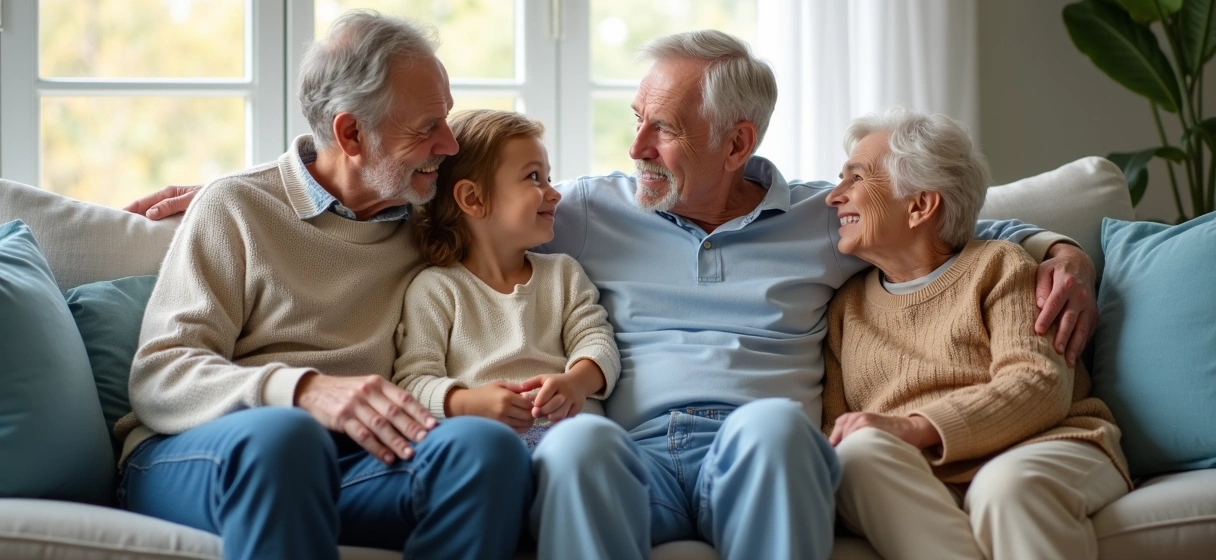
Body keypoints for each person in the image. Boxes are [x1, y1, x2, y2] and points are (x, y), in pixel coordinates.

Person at [128, 28, 1101, 560]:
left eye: (662, 130)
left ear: (737, 144)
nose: (632, 149)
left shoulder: (822, 217)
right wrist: (224, 186)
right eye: (634, 122)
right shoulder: (581, 210)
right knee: (579, 439)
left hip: (745, 447)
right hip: (622, 449)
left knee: (768, 427)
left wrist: (1062, 249)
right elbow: (443, 187)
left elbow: (951, 227)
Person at [114, 11, 532, 560]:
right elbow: (160, 375)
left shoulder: (430, 214)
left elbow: (530, 193)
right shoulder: (237, 208)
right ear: (351, 132)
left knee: (485, 448)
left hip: (359, 461)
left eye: (447, 120)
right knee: (288, 438)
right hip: (206, 451)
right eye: (426, 127)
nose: (449, 145)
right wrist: (304, 391)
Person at [820, 108, 1130, 560]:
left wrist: (915, 427)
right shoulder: (846, 308)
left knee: (1005, 488)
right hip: (922, 480)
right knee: (855, 455)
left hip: (1044, 445)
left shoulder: (999, 266)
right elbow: (836, 429)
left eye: (856, 178)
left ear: (920, 206)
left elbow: (1037, 384)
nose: (834, 197)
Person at [393, 109, 620, 449]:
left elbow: (598, 343)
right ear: (473, 199)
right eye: (533, 177)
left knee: (591, 444)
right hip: (488, 446)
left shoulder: (563, 274)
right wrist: (467, 404)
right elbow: (412, 382)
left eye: (548, 177)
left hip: (571, 439)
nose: (553, 192)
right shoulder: (436, 290)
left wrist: (576, 383)